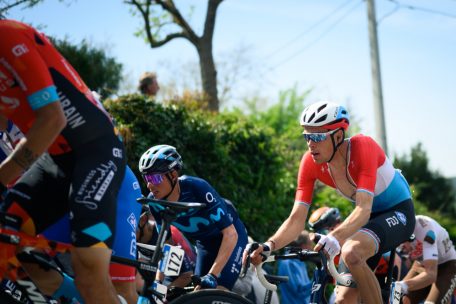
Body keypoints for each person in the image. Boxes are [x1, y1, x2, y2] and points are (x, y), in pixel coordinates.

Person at [0, 19, 139, 303]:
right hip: (57, 159)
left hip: (96, 151)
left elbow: (53, 118)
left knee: (88, 269)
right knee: (7, 238)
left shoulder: (6, 36)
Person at [244, 101, 415, 304]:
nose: (310, 143)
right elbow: (297, 219)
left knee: (351, 252)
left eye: (317, 136)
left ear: (338, 136)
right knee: (342, 300)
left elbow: (363, 208)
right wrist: (269, 245)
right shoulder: (309, 162)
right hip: (368, 220)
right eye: (307, 136)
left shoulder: (363, 147)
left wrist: (333, 237)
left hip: (397, 213)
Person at [138, 144, 248, 291]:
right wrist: (159, 283)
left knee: (217, 291)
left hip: (232, 237)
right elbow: (168, 246)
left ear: (173, 175)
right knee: (198, 296)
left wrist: (212, 276)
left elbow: (230, 234)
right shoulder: (155, 203)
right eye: (146, 178)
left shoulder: (197, 188)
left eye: (155, 177)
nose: (150, 185)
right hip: (205, 244)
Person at [395, 215, 456, 304]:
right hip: (423, 263)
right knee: (403, 299)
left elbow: (431, 274)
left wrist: (404, 285)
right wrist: (397, 288)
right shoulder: (403, 233)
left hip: (447, 265)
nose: (403, 248)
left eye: (403, 245)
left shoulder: (426, 233)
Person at [277, 230, 313, 304]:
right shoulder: (287, 263)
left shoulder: (300, 262)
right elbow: (299, 292)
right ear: (303, 246)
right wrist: (318, 277)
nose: (312, 248)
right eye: (310, 244)